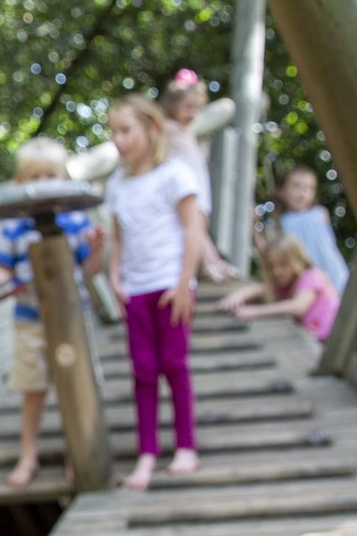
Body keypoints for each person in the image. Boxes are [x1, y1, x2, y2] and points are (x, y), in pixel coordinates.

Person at [0, 137, 99, 490]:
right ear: (20, 183)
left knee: (73, 387)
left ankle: (78, 453)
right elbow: (5, 270)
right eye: (35, 176)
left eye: (50, 174)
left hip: (71, 319)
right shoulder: (13, 227)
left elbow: (90, 269)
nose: (43, 182)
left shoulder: (75, 220)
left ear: (63, 176)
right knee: (33, 388)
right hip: (29, 320)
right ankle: (28, 453)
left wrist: (98, 249)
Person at [106, 92, 207, 490]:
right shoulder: (117, 185)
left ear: (150, 129)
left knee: (174, 365)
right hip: (136, 289)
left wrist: (185, 282)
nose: (118, 140)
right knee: (143, 372)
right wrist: (115, 278)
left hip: (170, 285)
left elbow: (193, 229)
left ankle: (186, 446)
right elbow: (118, 238)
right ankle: (147, 453)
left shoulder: (175, 174)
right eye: (113, 132)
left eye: (125, 130)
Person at [159, 69, 233, 283]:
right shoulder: (169, 128)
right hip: (185, 188)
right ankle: (212, 263)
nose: (193, 114)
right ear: (173, 105)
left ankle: (211, 263)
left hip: (197, 186)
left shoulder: (185, 129)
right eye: (188, 107)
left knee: (199, 228)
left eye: (197, 109)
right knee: (195, 228)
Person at [221, 232, 340, 342]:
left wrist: (255, 311)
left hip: (331, 337)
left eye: (283, 265)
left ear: (296, 260)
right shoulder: (285, 285)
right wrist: (237, 296)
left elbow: (298, 307)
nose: (276, 272)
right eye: (271, 267)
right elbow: (259, 288)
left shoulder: (311, 275)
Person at [266, 164, 349, 293]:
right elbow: (268, 252)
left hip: (333, 272)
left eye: (309, 188)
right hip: (306, 281)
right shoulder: (278, 223)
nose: (302, 192)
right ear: (281, 191)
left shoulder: (320, 213)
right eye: (296, 186)